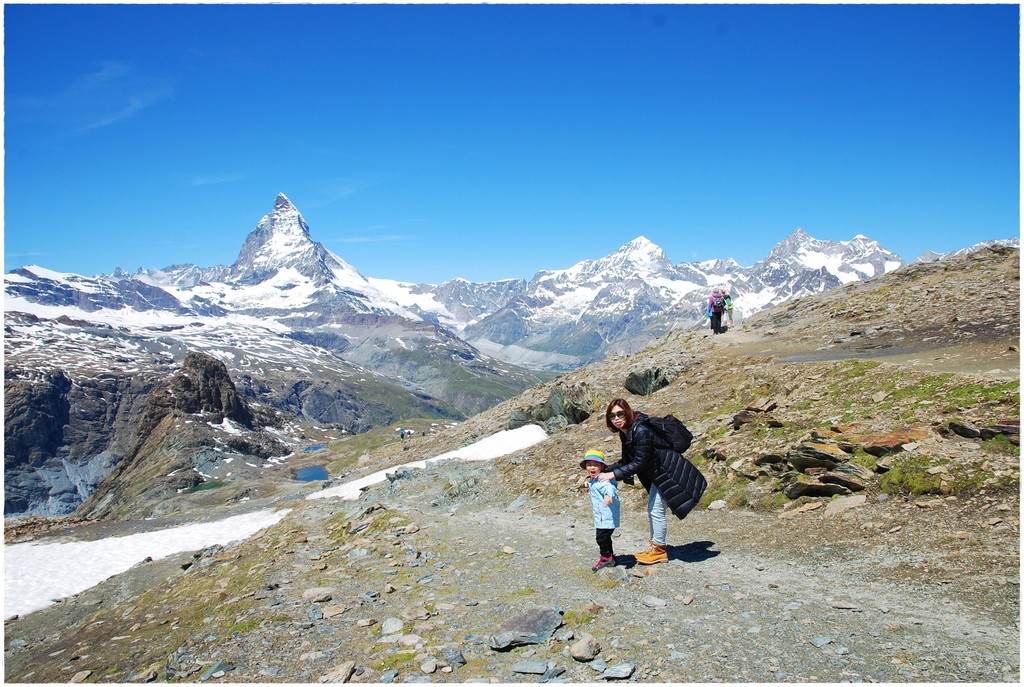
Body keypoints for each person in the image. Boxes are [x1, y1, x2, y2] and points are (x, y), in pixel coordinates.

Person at [596, 398, 707, 565]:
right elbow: (627, 460)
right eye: (612, 416)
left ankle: (659, 550)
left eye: (620, 413)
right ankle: (656, 547)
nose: (616, 418)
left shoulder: (640, 430)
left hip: (669, 472)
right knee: (654, 509)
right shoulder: (626, 432)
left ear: (627, 412)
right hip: (660, 474)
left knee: (655, 510)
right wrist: (604, 470)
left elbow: (639, 463)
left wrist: (613, 475)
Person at [580, 449, 620, 571]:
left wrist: (608, 496)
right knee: (605, 537)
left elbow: (609, 487)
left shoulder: (603, 479)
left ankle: (606, 558)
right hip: (601, 515)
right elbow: (595, 485)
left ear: (602, 466)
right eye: (589, 465)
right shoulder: (594, 479)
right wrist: (587, 485)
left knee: (601, 537)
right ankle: (610, 555)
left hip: (606, 515)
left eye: (596, 465)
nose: (592, 467)